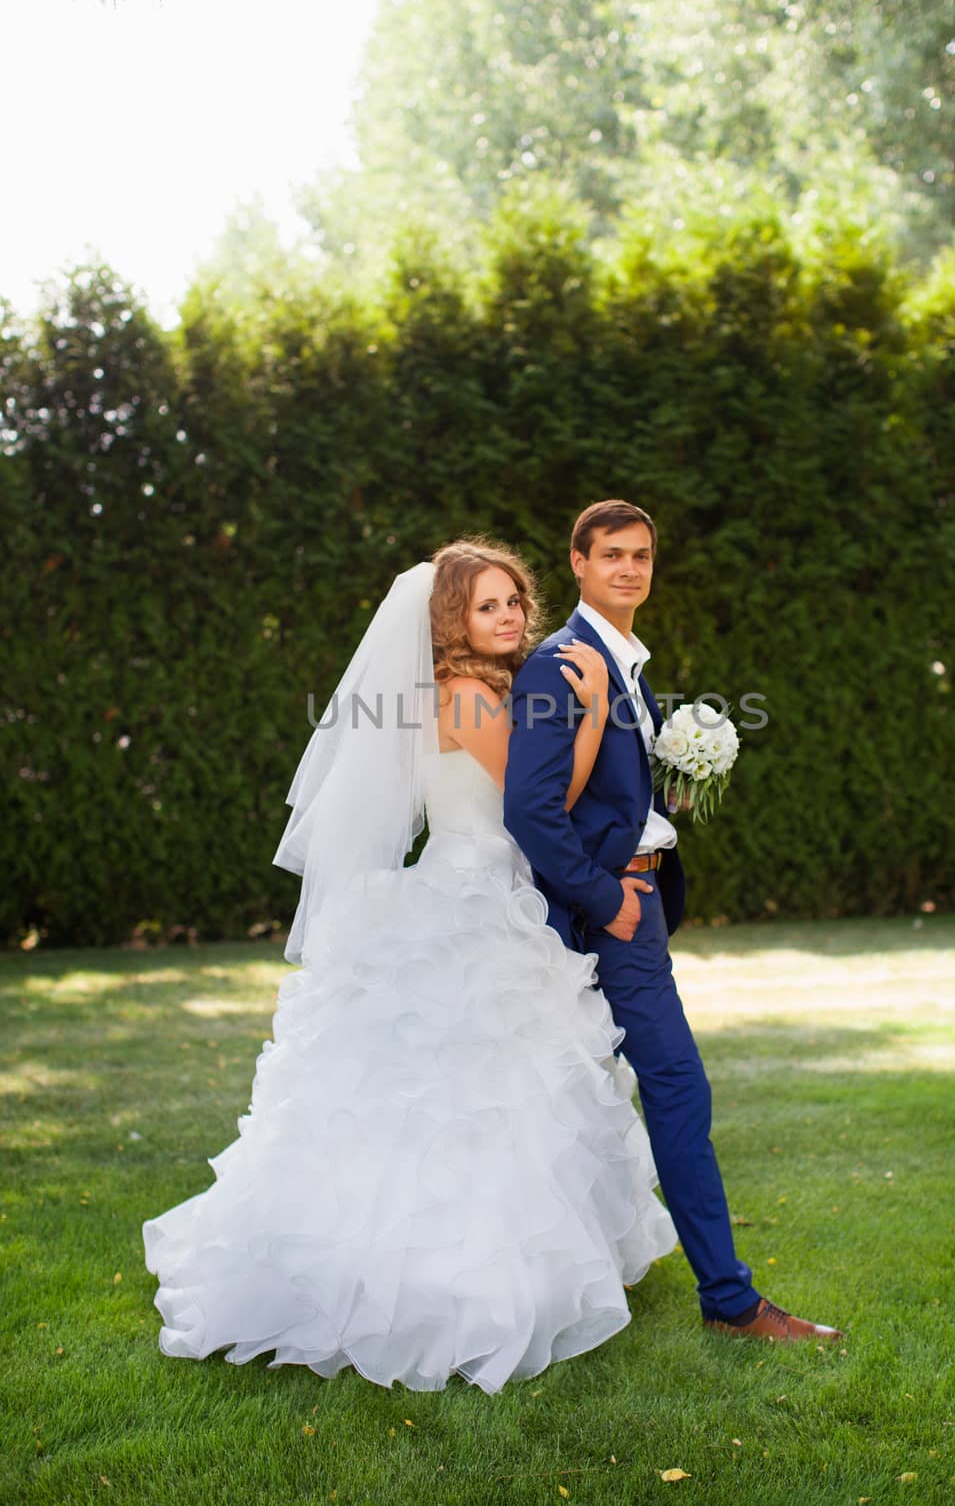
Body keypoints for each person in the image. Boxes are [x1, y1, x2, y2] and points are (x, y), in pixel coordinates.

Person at [142, 539, 677, 1394]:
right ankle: (455, 1284)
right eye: (485, 607)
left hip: (497, 893)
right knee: (467, 1099)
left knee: (498, 1093)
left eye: (512, 602)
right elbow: (541, 802)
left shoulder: (491, 685)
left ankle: (523, 1260)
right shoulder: (463, 695)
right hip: (470, 903)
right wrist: (595, 711)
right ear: (449, 621)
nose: (506, 617)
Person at [503, 500, 843, 1343]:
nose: (629, 569)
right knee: (676, 1089)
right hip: (608, 914)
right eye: (611, 554)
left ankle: (562, 1282)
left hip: (637, 901)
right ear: (576, 563)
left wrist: (671, 787)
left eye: (642, 555)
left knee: (580, 1100)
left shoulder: (625, 661)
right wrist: (606, 897)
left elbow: (604, 792)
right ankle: (729, 1302)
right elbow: (531, 811)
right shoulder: (560, 665)